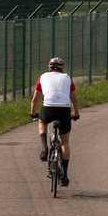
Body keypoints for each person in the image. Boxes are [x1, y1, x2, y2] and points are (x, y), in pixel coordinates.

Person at [30, 57, 80, 186]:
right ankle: (64, 175)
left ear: (49, 67)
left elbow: (35, 100)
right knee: (64, 141)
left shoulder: (43, 77)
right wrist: (75, 114)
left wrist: (33, 113)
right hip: (64, 110)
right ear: (62, 68)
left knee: (42, 122)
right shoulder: (67, 78)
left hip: (48, 109)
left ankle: (44, 147)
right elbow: (74, 100)